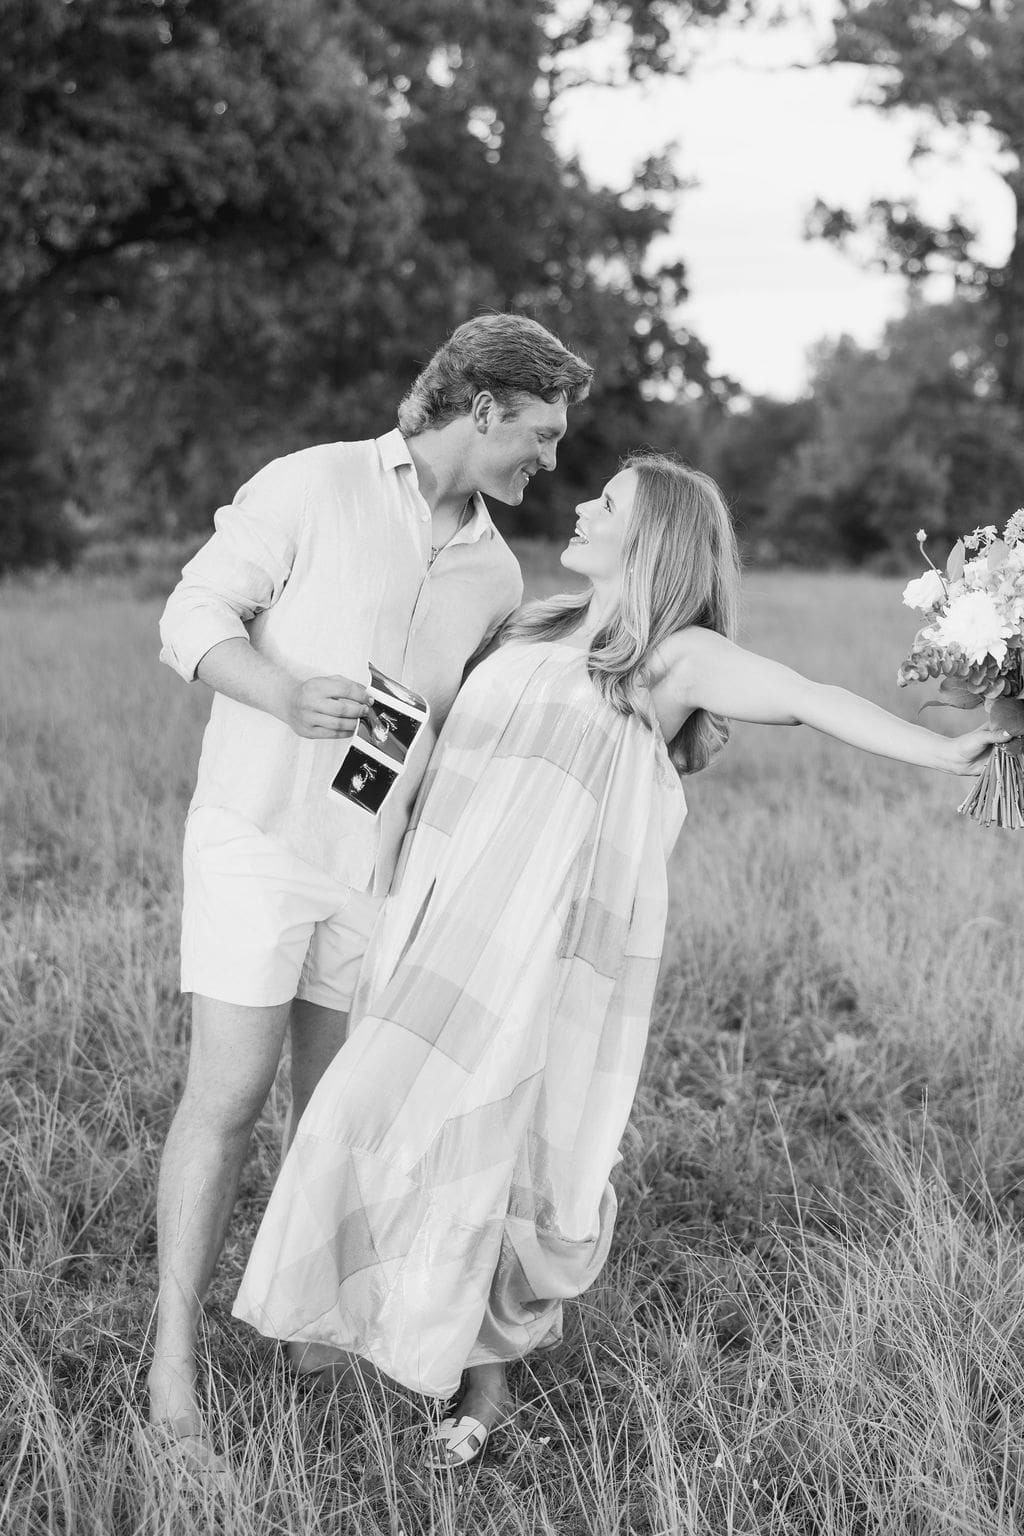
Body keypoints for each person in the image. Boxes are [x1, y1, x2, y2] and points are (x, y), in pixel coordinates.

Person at [233, 452, 1010, 1469]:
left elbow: (809, 695)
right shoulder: (531, 621)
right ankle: (363, 1317)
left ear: (653, 541)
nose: (585, 505)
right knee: (368, 1105)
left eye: (610, 503)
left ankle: (486, 1378)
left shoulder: (670, 658)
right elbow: (407, 702)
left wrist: (944, 751)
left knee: (509, 1137)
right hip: (435, 910)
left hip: (544, 939)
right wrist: (347, 819)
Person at [148, 312, 593, 1469]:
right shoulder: (314, 484)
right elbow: (191, 616)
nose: (546, 460)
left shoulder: (494, 567)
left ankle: (311, 1341)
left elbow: (482, 721)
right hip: (257, 843)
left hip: (377, 878)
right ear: (484, 407)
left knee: (334, 1115)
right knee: (231, 1096)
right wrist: (282, 694)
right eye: (538, 433)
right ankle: (173, 1365)